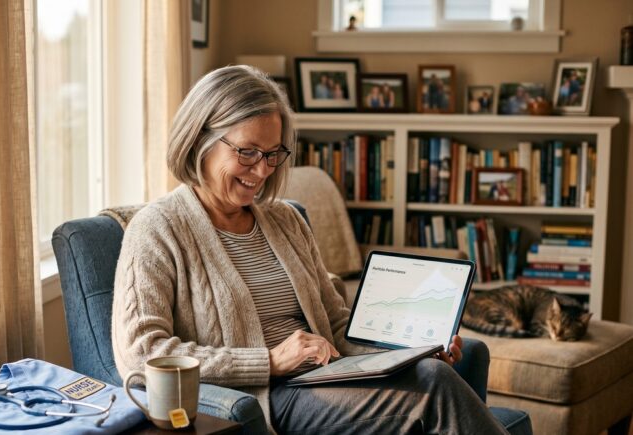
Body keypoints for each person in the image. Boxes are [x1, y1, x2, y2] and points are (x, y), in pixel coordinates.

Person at [112, 65, 507, 434]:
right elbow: (142, 353)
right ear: (201, 138)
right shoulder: (157, 228)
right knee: (435, 386)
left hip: (332, 374)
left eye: (273, 154)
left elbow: (335, 323)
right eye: (248, 152)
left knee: (437, 369)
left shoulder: (284, 219)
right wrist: (269, 361)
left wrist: (410, 348)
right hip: (269, 394)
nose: (263, 170)